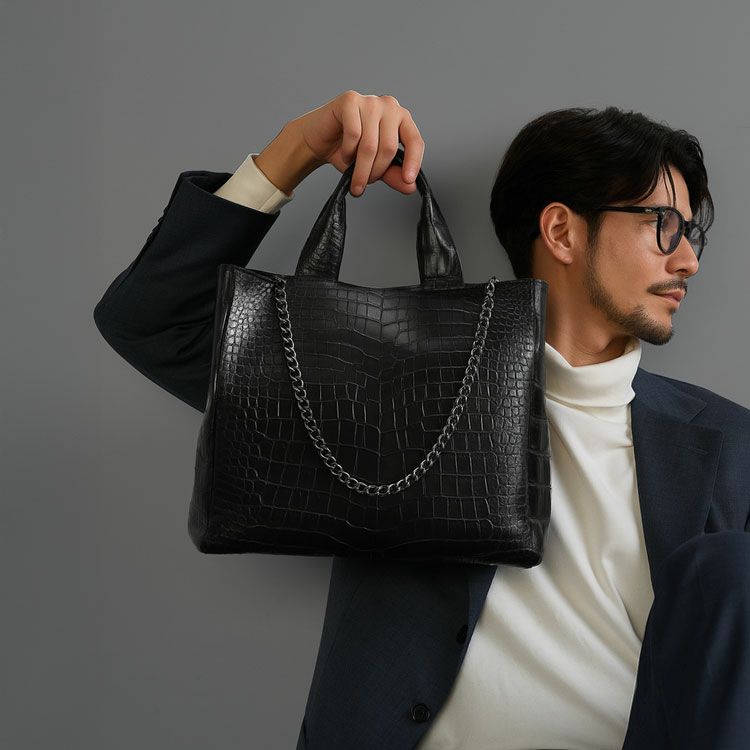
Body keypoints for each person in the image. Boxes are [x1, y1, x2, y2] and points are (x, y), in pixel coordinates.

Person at [93, 90, 750, 750]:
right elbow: (152, 322)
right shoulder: (389, 385)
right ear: (561, 232)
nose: (688, 260)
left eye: (690, 233)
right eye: (663, 225)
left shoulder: (733, 448)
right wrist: (297, 150)